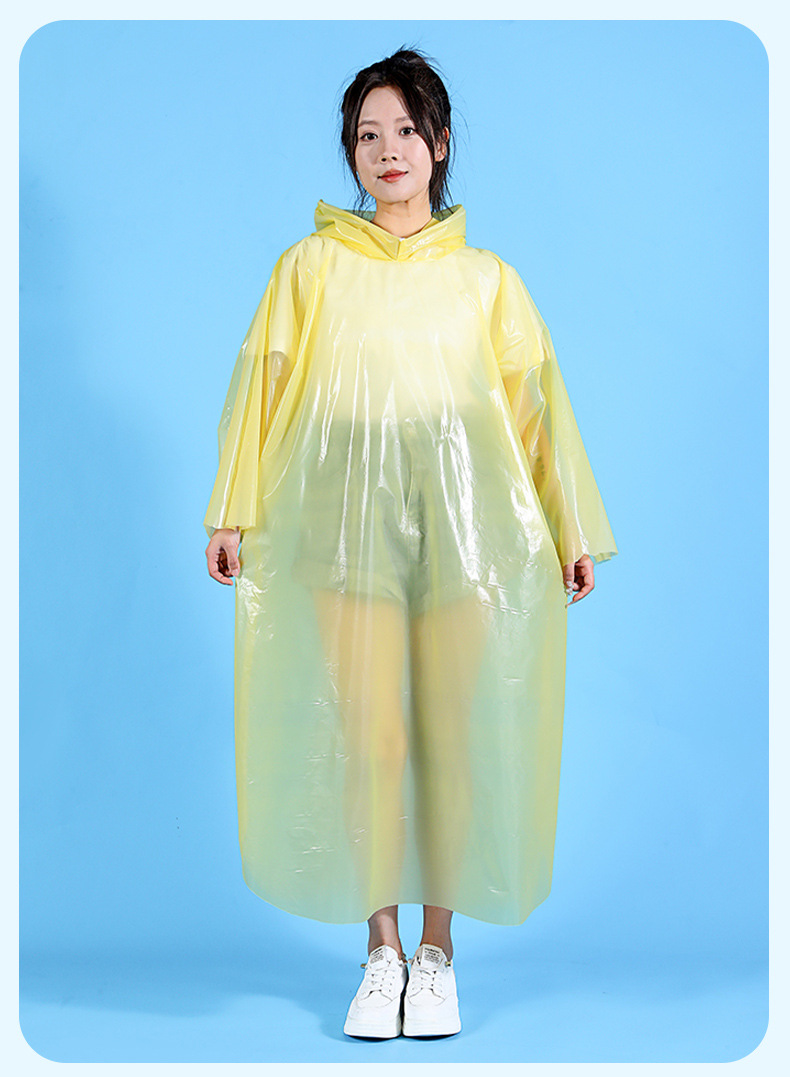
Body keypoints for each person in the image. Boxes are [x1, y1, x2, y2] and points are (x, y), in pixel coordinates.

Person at [204, 46, 617, 1040]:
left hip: (467, 536)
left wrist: (571, 527)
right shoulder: (309, 269)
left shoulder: (486, 281)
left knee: (452, 734)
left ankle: (438, 955)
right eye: (366, 134)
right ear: (351, 153)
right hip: (340, 530)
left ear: (439, 142)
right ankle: (380, 951)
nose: (386, 150)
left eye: (404, 130)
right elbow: (261, 385)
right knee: (370, 738)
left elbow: (536, 409)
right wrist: (231, 508)